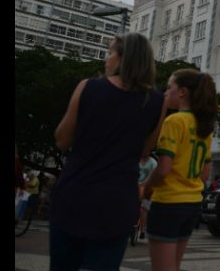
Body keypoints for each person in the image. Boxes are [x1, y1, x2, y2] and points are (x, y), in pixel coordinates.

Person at [49, 33, 166, 271]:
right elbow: (145, 150)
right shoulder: (156, 100)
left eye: (111, 53)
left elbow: (62, 140)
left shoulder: (89, 87)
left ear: (124, 58)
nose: (107, 59)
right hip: (118, 200)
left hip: (75, 192)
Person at [143, 69, 217, 271]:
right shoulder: (204, 126)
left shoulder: (174, 121)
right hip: (192, 203)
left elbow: (164, 169)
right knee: (174, 265)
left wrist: (146, 186)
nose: (165, 93)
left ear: (182, 92)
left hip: (168, 202)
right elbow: (205, 174)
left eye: (169, 88)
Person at [138, 153, 158, 239]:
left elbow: (153, 177)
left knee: (143, 208)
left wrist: (143, 185)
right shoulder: (135, 159)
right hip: (134, 186)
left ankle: (142, 230)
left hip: (147, 187)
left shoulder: (153, 163)